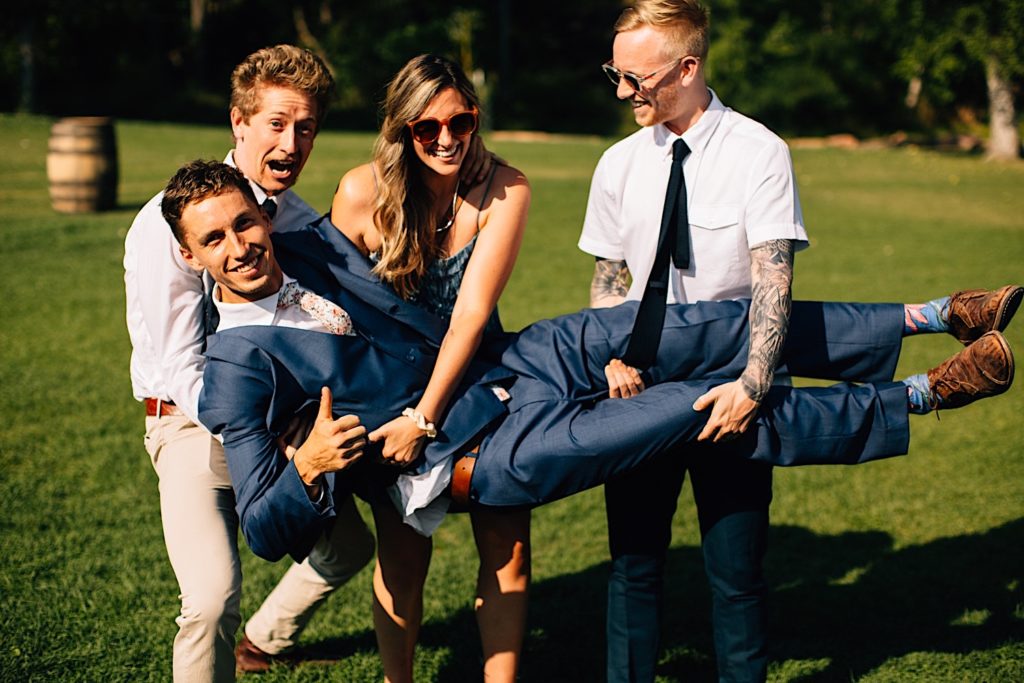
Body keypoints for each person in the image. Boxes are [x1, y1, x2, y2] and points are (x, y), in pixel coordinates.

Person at [163, 161, 1016, 591]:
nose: (242, 246)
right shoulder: (235, 366)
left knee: (710, 324)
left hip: (513, 358)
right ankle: (922, 394)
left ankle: (932, 313)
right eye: (216, 240)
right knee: (699, 406)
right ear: (190, 254)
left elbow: (360, 164)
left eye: (245, 223)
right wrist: (311, 463)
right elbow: (265, 530)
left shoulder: (304, 238)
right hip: (488, 448)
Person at [123, 44, 377, 680]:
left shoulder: (295, 219)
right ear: (239, 123)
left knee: (349, 545)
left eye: (306, 127)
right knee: (209, 599)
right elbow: (182, 364)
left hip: (279, 416)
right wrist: (268, 433)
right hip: (187, 421)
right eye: (275, 123)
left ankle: (265, 638)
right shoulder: (168, 224)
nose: (291, 143)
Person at [577, 2, 803, 679]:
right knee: (633, 567)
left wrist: (753, 385)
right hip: (638, 390)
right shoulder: (617, 163)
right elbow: (608, 278)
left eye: (637, 80)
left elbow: (774, 281)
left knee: (735, 572)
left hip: (730, 387)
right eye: (615, 75)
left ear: (688, 67)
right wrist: (611, 354)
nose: (623, 92)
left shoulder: (759, 152)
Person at [328, 54, 531, 682]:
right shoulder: (361, 193)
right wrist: (397, 415)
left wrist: (428, 416)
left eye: (461, 121)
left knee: (508, 552)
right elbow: (339, 318)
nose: (447, 140)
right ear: (402, 130)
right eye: (427, 128)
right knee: (403, 559)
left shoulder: (506, 187)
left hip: (478, 377)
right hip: (393, 388)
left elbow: (471, 315)